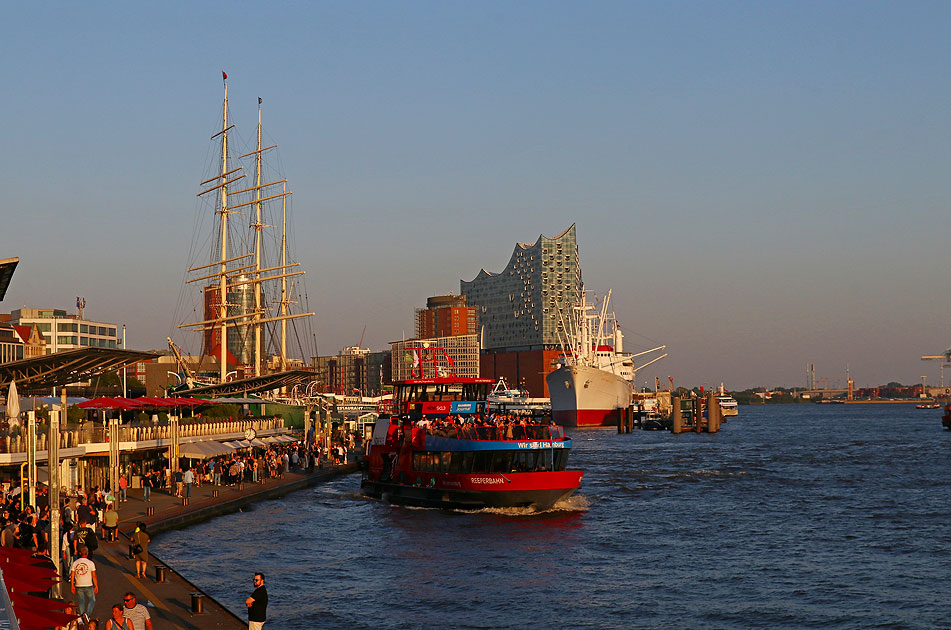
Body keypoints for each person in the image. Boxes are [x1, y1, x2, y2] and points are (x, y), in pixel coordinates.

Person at [70, 546, 98, 623]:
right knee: (92, 600)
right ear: (87, 553)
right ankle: (87, 614)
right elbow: (94, 575)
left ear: (80, 553)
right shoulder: (91, 563)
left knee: (81, 602)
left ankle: (82, 618)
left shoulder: (75, 563)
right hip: (88, 584)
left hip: (78, 585)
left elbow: (72, 575)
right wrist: (96, 585)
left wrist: (72, 585)